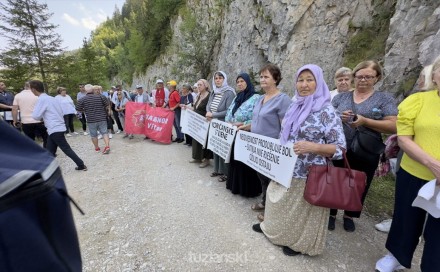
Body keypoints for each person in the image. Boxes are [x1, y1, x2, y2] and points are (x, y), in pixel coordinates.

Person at [252, 64, 346, 257]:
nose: (304, 85)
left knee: (302, 211)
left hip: (310, 172)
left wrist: (314, 147)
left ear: (318, 82)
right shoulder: (295, 105)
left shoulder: (326, 111)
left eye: (309, 80)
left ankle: (299, 243)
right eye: (300, 80)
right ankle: (274, 230)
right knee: (278, 201)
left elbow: (340, 149)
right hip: (286, 166)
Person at [375, 57, 440, 272]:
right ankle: (397, 256)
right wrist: (433, 164)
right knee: (406, 216)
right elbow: (404, 138)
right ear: (435, 75)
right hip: (414, 172)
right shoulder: (418, 101)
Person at [331, 60, 398, 232]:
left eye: (368, 77)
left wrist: (365, 121)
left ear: (377, 78)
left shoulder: (384, 99)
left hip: (367, 149)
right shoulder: (340, 97)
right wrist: (339, 117)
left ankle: (349, 214)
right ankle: (330, 212)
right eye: (359, 76)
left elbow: (394, 125)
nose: (362, 80)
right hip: (340, 145)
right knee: (335, 178)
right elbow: (328, 118)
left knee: (360, 181)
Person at [239, 64, 292, 221]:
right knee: (261, 176)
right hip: (257, 147)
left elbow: (285, 127)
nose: (262, 79)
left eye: (266, 76)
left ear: (275, 79)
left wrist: (280, 148)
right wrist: (245, 127)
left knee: (272, 180)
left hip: (272, 148)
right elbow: (257, 120)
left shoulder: (283, 100)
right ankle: (264, 201)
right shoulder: (260, 98)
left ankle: (272, 211)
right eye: (261, 77)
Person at [30, 80, 87, 171]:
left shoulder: (41, 99)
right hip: (56, 127)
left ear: (33, 89)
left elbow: (36, 116)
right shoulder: (52, 98)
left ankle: (81, 164)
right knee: (50, 150)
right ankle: (47, 169)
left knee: (66, 149)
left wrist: (41, 117)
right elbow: (60, 111)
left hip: (54, 128)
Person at [225, 72, 261, 197]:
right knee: (236, 159)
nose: (240, 84)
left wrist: (244, 123)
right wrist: (229, 122)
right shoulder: (237, 97)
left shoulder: (256, 98)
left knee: (245, 161)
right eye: (238, 82)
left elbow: (258, 118)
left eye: (242, 81)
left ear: (247, 82)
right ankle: (235, 186)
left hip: (247, 134)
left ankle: (248, 190)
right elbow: (230, 112)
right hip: (234, 133)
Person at [206, 71, 236, 182]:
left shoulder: (229, 92)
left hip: (223, 124)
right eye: (216, 78)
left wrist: (213, 115)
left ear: (225, 79)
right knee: (215, 146)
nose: (217, 80)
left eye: (220, 78)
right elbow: (209, 104)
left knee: (223, 149)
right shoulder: (214, 92)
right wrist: (208, 112)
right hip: (213, 123)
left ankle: (225, 173)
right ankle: (217, 169)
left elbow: (228, 110)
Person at [76, 84, 111, 154]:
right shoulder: (101, 96)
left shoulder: (82, 99)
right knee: (104, 133)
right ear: (92, 89)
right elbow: (107, 105)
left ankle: (97, 148)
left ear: (85, 90)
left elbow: (78, 109)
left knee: (93, 135)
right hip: (102, 118)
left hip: (91, 119)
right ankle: (107, 146)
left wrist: (85, 110)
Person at [12, 81, 48, 147]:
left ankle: (33, 154)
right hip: (39, 120)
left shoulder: (18, 96)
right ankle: (47, 151)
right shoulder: (38, 94)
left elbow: (14, 109)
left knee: (30, 139)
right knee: (45, 137)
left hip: (26, 122)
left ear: (24, 86)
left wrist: (15, 121)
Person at [189, 79, 213, 168]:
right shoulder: (198, 95)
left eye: (200, 85)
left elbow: (210, 109)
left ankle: (206, 159)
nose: (198, 86)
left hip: (205, 122)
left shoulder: (209, 96)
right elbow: (195, 108)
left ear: (206, 85)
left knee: (205, 141)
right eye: (198, 85)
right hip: (197, 122)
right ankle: (197, 157)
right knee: (196, 139)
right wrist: (187, 108)